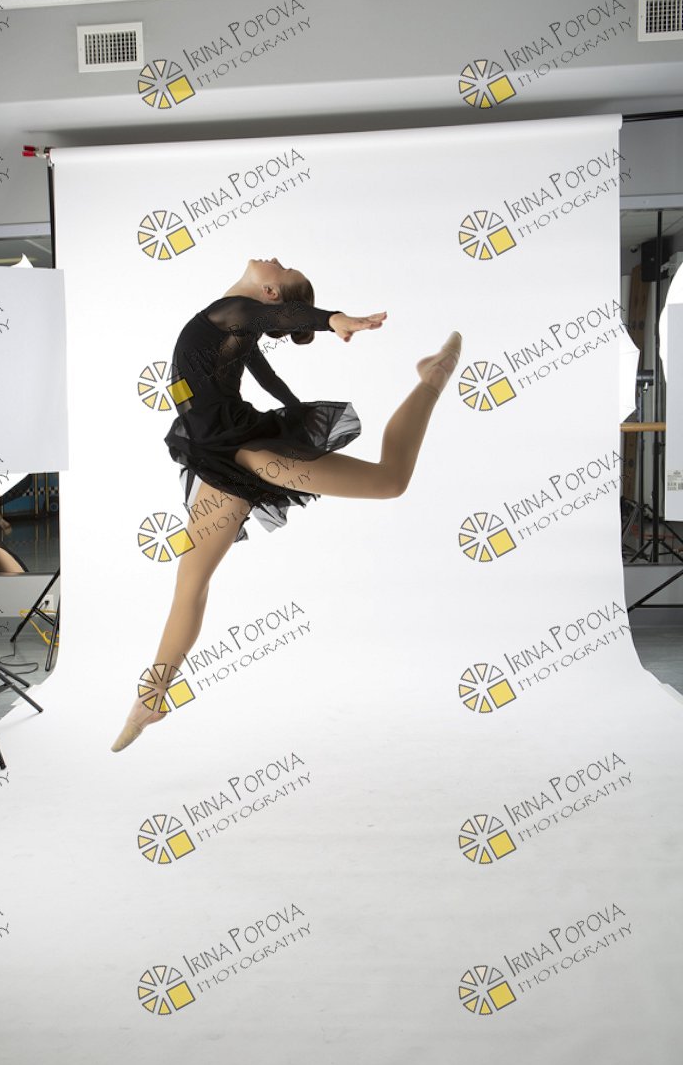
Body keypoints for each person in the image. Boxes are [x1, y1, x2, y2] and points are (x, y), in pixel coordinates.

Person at [111, 257, 461, 751]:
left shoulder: (234, 312)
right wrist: (295, 408)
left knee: (390, 479)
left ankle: (432, 379)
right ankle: (150, 699)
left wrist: (331, 320)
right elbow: (264, 368)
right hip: (219, 458)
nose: (278, 260)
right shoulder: (236, 324)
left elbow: (278, 318)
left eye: (285, 270)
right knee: (191, 584)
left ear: (271, 292)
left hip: (251, 453)